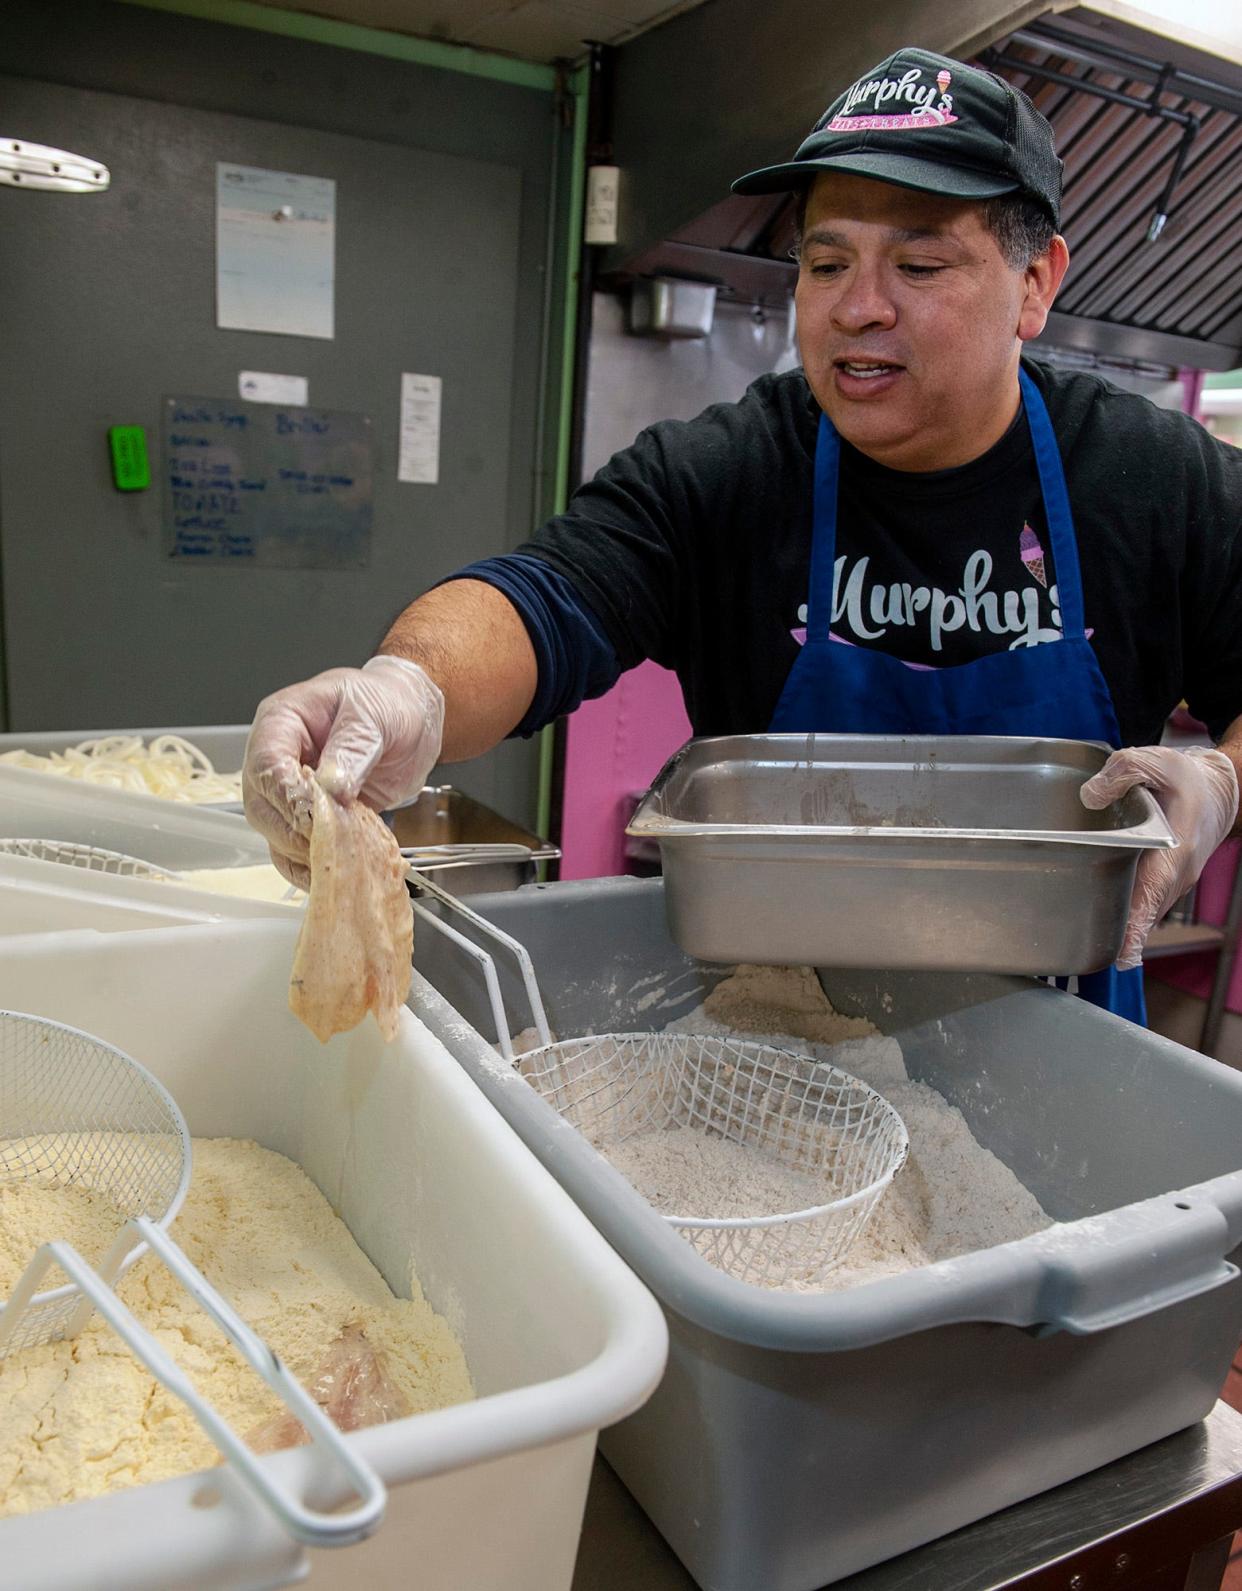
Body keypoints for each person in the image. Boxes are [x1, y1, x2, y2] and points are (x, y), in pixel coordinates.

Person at [245, 46, 1241, 1023]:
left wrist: (1221, 782)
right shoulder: (726, 473)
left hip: (1067, 1062)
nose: (860, 307)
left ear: (1035, 283)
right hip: (777, 1062)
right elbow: (544, 596)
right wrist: (407, 685)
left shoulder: (1156, 480)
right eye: (825, 260)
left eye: (922, 262)